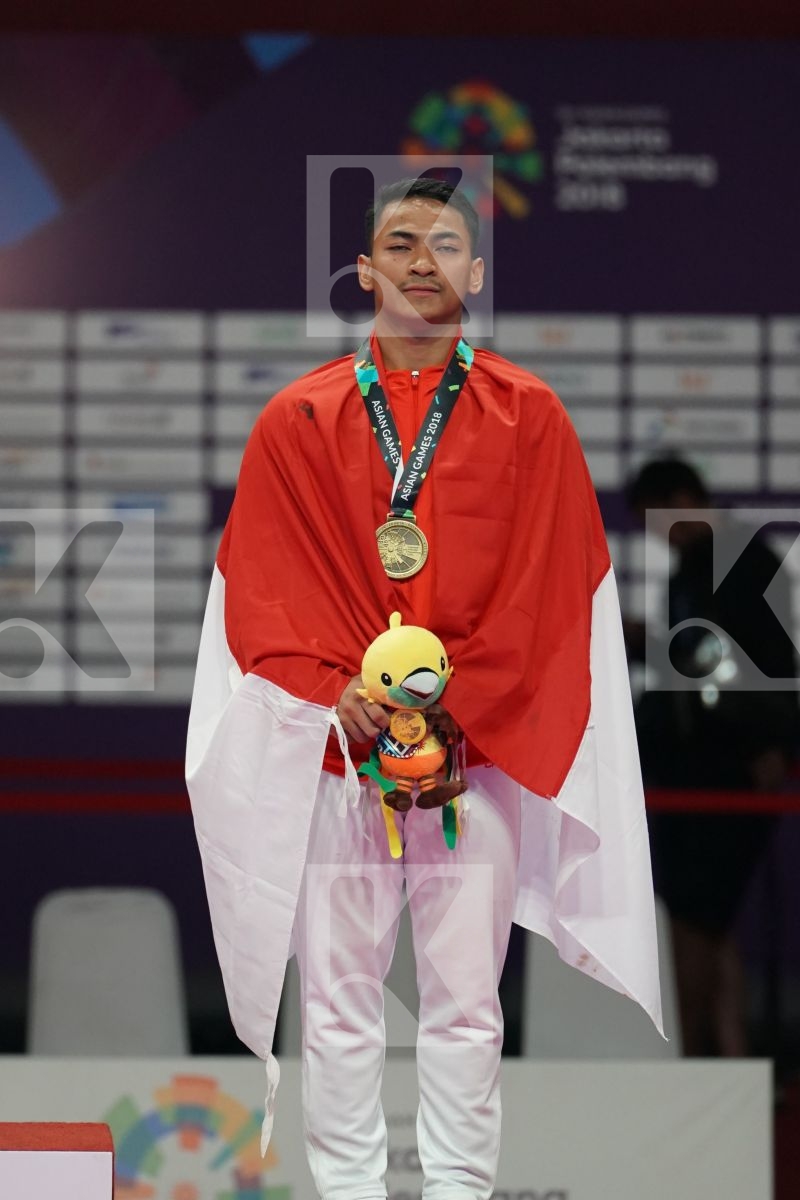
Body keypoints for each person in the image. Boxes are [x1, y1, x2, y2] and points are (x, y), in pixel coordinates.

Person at [186, 176, 662, 1200]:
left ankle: (455, 1192)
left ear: (474, 274)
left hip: (473, 762)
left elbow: (553, 596)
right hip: (339, 758)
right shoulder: (296, 417)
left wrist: (457, 716)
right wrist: (331, 697)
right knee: (338, 1003)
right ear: (362, 272)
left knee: (464, 1003)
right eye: (397, 243)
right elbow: (259, 593)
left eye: (442, 245)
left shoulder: (529, 416)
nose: (419, 261)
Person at [626, 457, 799, 1055]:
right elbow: (696, 665)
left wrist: (768, 746)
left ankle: (695, 1055)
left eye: (655, 517)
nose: (654, 533)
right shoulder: (693, 569)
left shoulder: (743, 560)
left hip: (726, 770)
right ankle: (727, 1059)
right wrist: (645, 642)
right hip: (692, 765)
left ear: (683, 497)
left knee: (695, 922)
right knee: (708, 919)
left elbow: (769, 669)